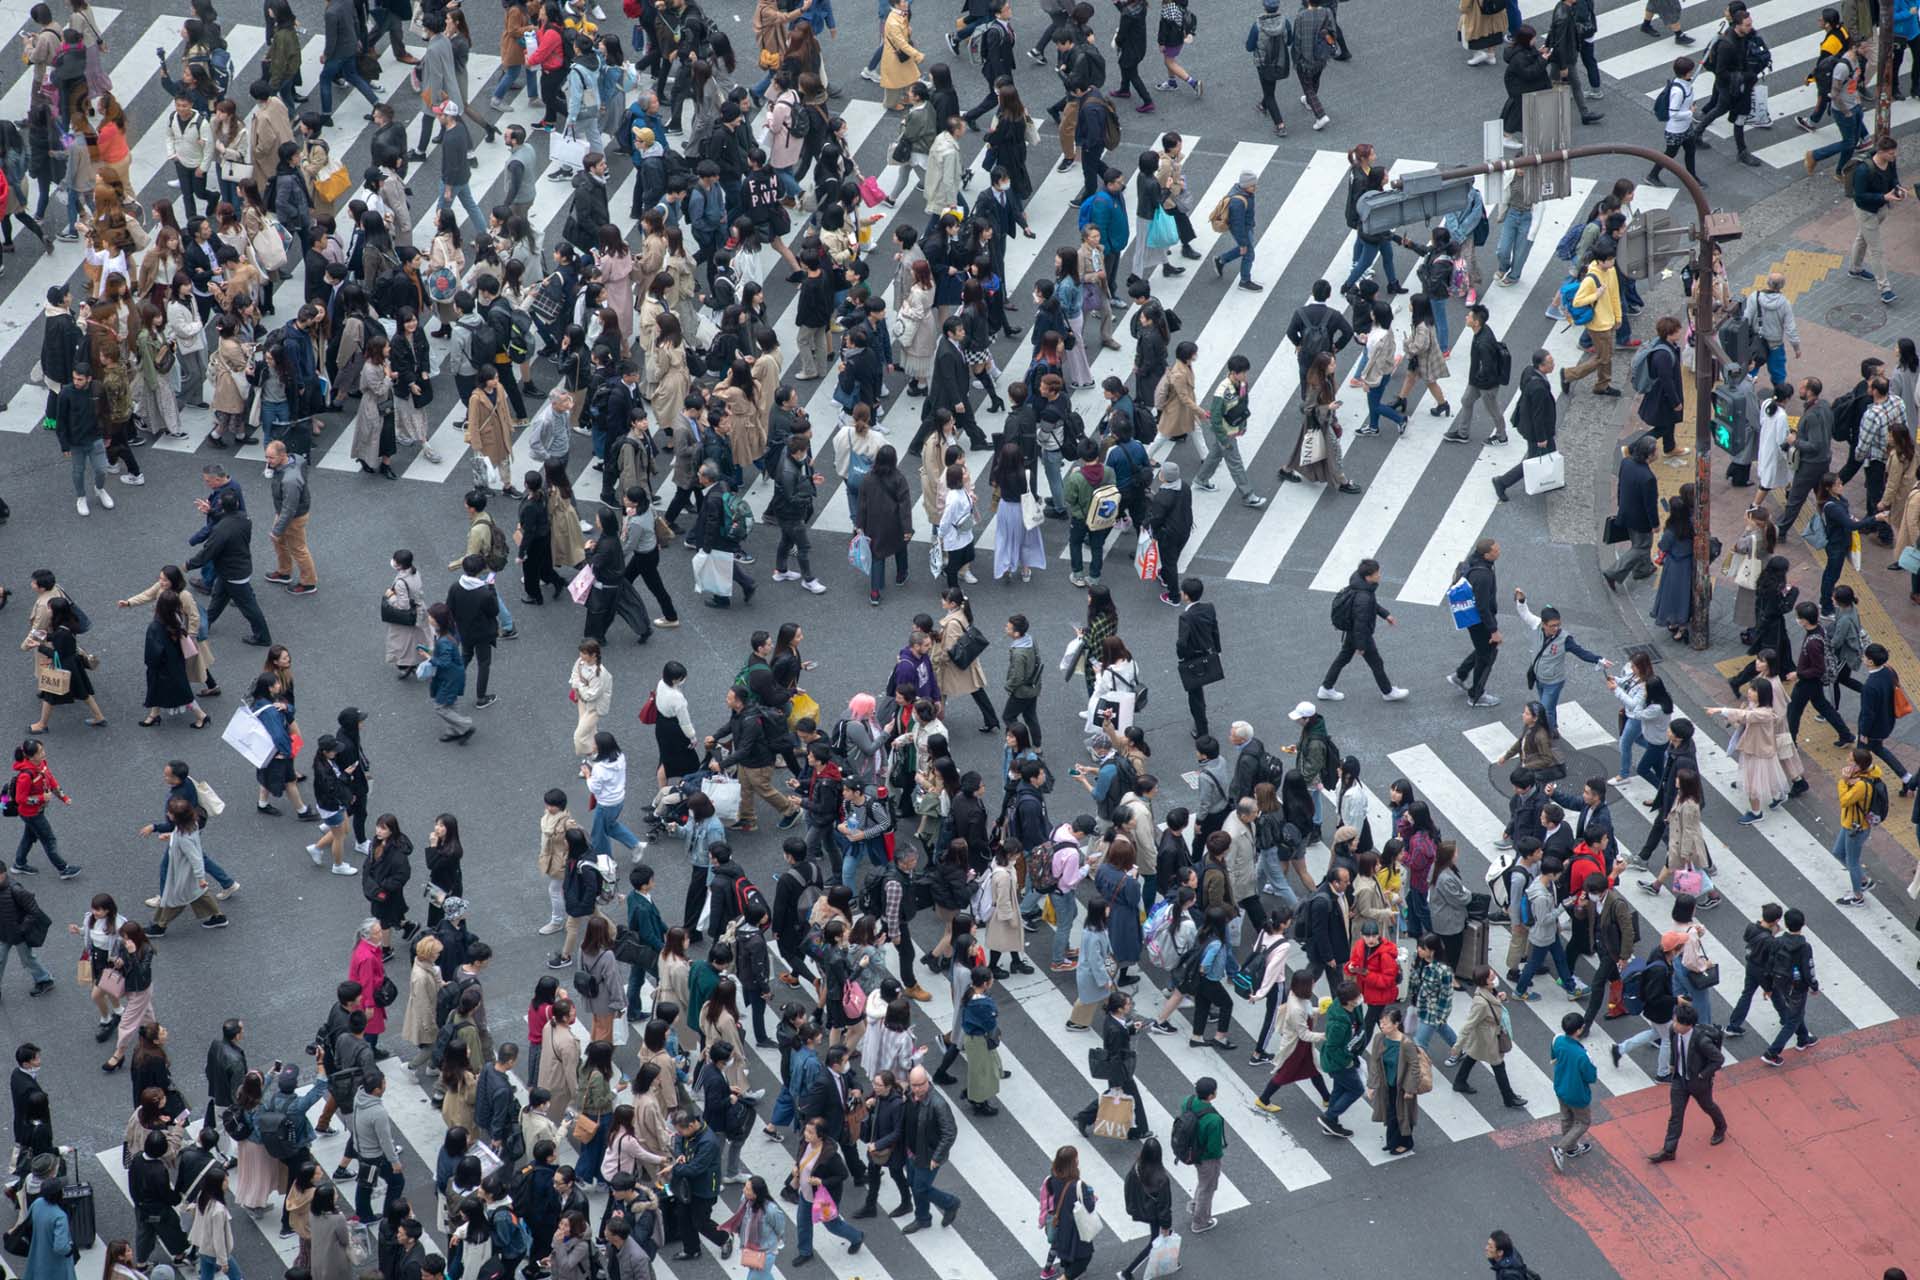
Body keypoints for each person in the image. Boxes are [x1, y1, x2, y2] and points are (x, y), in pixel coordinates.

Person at [1645, 1002, 1728, 1162]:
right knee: (1676, 1116)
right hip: (1679, 1080)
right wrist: (1672, 1064)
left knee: (1708, 1106)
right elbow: (1674, 1049)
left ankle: (1721, 1127)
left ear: (1688, 1025)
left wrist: (1703, 1075)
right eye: (1674, 1020)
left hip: (1697, 1082)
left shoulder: (1702, 1041)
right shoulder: (1673, 1031)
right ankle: (1669, 1150)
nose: (1673, 1024)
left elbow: (1718, 1059)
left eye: (1677, 1022)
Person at [1492, 350, 1559, 503]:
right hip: (1536, 431)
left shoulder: (1529, 371)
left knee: (1551, 451)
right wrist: (1541, 438)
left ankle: (1552, 479)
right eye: (1550, 363)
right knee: (1533, 459)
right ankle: (1502, 482)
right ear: (1541, 366)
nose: (1553, 364)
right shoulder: (1539, 389)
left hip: (1529, 423)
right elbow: (1538, 416)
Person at [1447, 537, 1503, 708]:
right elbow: (1483, 606)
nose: (1498, 551)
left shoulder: (1474, 562)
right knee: (1487, 655)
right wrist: (1494, 630)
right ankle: (1476, 695)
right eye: (1495, 550)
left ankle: (1460, 675)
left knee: (1483, 648)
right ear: (1486, 555)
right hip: (1480, 621)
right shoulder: (1483, 575)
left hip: (1471, 618)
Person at [1547, 1011, 1597, 1172]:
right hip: (1577, 1093)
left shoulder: (1558, 1040)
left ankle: (1571, 1148)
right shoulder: (1582, 1055)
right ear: (1579, 1030)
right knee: (1583, 1121)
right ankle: (1561, 1148)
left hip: (1561, 1087)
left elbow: (1553, 1057)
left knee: (1566, 1117)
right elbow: (1591, 1077)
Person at [1174, 576, 1222, 737]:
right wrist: (1216, 650)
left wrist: (1181, 657)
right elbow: (1214, 629)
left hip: (1192, 658)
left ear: (1186, 596)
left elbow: (1182, 643)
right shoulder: (1209, 608)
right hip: (1208, 653)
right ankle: (1201, 724)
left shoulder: (1186, 617)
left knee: (1195, 696)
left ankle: (1202, 729)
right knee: (1197, 693)